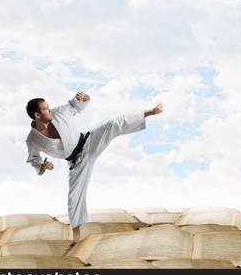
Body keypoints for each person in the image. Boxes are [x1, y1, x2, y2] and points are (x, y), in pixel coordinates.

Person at [25, 91, 163, 241]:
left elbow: (76, 105)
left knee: (113, 124)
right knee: (74, 196)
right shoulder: (33, 139)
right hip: (77, 162)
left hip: (89, 141)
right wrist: (43, 167)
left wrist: (84, 98)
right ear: (37, 115)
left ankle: (151, 112)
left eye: (48, 106)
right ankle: (76, 236)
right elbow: (34, 159)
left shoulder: (58, 113)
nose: (49, 109)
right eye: (45, 108)